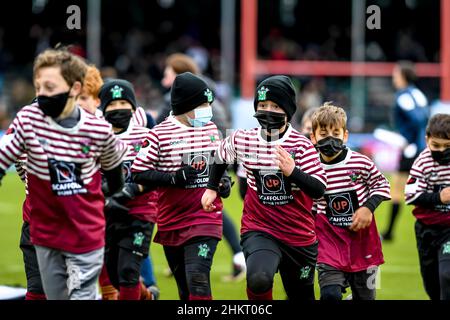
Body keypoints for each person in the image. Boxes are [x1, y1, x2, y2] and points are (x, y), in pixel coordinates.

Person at [0, 48, 127, 300]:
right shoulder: (28, 120)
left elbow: (115, 177)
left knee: (81, 295)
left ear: (75, 87)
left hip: (85, 233)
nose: (41, 95)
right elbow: (3, 158)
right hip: (44, 233)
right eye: (38, 88)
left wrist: (97, 200)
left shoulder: (98, 129)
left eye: (49, 87)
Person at [202, 75, 327, 300]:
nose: (268, 111)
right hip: (260, 229)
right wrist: (211, 188)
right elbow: (220, 155)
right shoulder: (244, 139)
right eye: (262, 106)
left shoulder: (302, 145)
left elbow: (319, 189)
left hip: (299, 235)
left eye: (275, 106)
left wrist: (293, 172)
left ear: (288, 110)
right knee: (259, 279)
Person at [132, 72, 231, 300]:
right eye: (204, 104)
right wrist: (173, 178)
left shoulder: (210, 130)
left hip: (205, 217)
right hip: (172, 220)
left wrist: (222, 182)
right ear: (187, 105)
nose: (208, 109)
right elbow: (138, 172)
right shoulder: (159, 134)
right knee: (185, 290)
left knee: (198, 280)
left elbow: (219, 164)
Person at [158, 53, 245, 281]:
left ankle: (234, 255)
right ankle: (195, 253)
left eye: (167, 73)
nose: (163, 79)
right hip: (200, 162)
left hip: (202, 160)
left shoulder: (195, 101)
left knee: (207, 206)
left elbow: (219, 130)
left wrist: (220, 162)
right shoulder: (195, 96)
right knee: (208, 205)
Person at [310, 103, 391, 300]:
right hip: (328, 241)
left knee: (366, 297)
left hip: (365, 241)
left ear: (345, 135)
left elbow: (383, 185)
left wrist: (367, 209)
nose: (330, 138)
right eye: (323, 133)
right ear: (313, 137)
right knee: (329, 294)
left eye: (336, 133)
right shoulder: (309, 166)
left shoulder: (361, 162)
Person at [98, 79, 158, 300]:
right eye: (111, 105)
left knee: (128, 272)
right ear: (103, 109)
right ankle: (146, 296)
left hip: (140, 213)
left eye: (123, 102)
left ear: (133, 107)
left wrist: (133, 189)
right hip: (107, 214)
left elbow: (155, 174)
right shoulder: (98, 138)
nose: (118, 109)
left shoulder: (146, 136)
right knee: (115, 276)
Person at [405, 113, 450, 300]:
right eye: (436, 145)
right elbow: (411, 196)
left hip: (448, 229)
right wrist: (438, 197)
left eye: (447, 146)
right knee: (432, 284)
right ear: (427, 140)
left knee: (447, 275)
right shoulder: (422, 162)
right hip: (426, 230)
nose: (441, 151)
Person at [383, 61, 429, 241]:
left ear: (402, 76)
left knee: (397, 189)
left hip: (410, 150)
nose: (393, 77)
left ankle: (389, 232)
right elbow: (425, 118)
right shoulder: (418, 93)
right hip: (423, 148)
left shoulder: (403, 96)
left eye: (395, 74)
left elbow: (417, 120)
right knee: (425, 187)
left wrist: (410, 143)